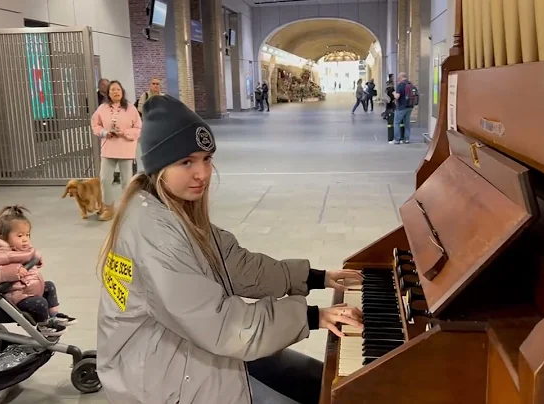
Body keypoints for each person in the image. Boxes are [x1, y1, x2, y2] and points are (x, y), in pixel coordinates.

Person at [96, 95, 364, 404]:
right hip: (158, 378)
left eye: (206, 158)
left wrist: (317, 277)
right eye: (186, 162)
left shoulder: (170, 209)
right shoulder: (155, 233)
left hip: (184, 344)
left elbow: (239, 265)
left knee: (317, 381)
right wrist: (312, 316)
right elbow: (222, 327)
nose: (203, 174)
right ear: (159, 168)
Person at [0, 205, 76, 338]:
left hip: (28, 287)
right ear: (3, 237)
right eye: (19, 236)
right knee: (40, 303)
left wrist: (36, 258)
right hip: (15, 294)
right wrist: (14, 271)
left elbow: (30, 254)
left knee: (50, 286)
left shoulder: (19, 249)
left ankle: (53, 317)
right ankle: (44, 325)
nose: (25, 239)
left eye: (27, 235)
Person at [91, 80, 142, 220]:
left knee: (127, 181)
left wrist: (125, 132)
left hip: (126, 149)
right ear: (108, 93)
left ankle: (127, 208)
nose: (115, 92)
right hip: (108, 148)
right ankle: (108, 208)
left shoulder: (131, 109)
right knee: (105, 179)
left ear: (122, 92)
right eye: (112, 89)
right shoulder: (102, 109)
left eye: (118, 89)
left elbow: (138, 128)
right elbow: (95, 125)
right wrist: (104, 133)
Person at [392, 72, 414, 144]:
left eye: (399, 77)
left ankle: (397, 140)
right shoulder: (410, 84)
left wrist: (393, 93)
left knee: (396, 123)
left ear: (401, 77)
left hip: (401, 107)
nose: (398, 79)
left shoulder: (400, 85)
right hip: (410, 106)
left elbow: (397, 96)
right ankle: (406, 139)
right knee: (407, 123)